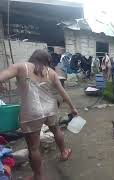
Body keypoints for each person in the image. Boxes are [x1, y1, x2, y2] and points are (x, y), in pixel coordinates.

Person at [0, 49, 78, 180]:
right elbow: (62, 92)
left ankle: (38, 176)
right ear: (46, 60)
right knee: (56, 130)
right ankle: (64, 152)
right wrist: (73, 108)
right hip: (51, 109)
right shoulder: (52, 72)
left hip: (32, 112)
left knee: (33, 148)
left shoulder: (20, 66)